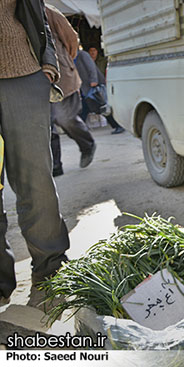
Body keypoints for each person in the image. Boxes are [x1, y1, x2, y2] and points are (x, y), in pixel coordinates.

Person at [0, 0, 70, 308]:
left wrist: (48, 65)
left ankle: (51, 266)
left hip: (24, 77)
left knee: (36, 181)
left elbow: (36, 13)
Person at [46, 5, 96, 175]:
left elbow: (71, 39)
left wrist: (65, 62)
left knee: (64, 118)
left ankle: (87, 145)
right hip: (35, 83)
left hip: (61, 79)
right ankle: (55, 167)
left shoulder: (48, 11)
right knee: (47, 127)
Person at [75, 49, 125, 134]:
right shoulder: (72, 57)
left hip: (92, 86)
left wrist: (94, 80)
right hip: (84, 88)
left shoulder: (82, 54)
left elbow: (91, 67)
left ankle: (118, 125)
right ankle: (78, 130)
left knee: (101, 107)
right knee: (84, 109)